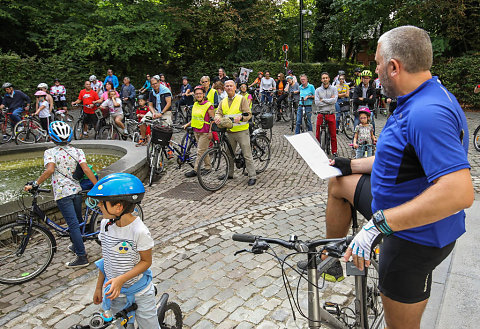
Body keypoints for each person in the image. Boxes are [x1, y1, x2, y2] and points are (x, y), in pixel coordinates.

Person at [324, 26, 473, 329]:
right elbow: (398, 157)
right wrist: (349, 165)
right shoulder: (416, 96)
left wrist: (378, 225)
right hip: (390, 206)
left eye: (377, 63)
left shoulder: (427, 113)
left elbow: (459, 192)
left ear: (393, 67)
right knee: (338, 183)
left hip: (413, 237)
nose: (374, 71)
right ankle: (332, 257)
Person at [88, 173, 159, 329]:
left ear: (118, 207)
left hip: (140, 292)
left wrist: (121, 279)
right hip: (115, 294)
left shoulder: (139, 231)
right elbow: (106, 258)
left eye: (102, 203)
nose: (99, 206)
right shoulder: (105, 224)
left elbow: (146, 262)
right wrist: (99, 287)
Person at [25, 121, 97, 267]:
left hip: (62, 194)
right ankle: (77, 245)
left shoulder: (50, 152)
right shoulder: (78, 151)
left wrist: (36, 183)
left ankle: (82, 257)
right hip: (76, 191)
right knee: (77, 221)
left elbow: (50, 170)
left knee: (73, 225)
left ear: (52, 137)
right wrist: (98, 186)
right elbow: (87, 170)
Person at [214, 80, 256, 186]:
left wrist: (241, 117)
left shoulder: (241, 99)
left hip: (242, 131)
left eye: (231, 86)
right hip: (229, 132)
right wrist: (217, 118)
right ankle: (230, 173)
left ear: (235, 87)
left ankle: (252, 176)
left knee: (247, 154)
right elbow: (218, 112)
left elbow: (248, 114)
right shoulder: (223, 101)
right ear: (224, 88)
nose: (229, 88)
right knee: (229, 154)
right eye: (227, 86)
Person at [183, 85, 215, 178]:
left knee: (200, 151)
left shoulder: (209, 105)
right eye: (196, 94)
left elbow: (212, 120)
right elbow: (194, 118)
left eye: (200, 93)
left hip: (205, 131)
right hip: (196, 130)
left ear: (204, 94)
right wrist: (187, 124)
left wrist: (210, 132)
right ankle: (208, 167)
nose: (198, 95)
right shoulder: (196, 104)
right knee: (203, 150)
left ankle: (195, 170)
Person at [314, 72, 338, 156]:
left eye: (326, 78)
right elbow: (317, 103)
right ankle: (317, 150)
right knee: (317, 133)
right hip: (321, 113)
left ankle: (334, 151)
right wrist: (329, 101)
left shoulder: (334, 89)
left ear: (329, 79)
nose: (325, 79)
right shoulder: (317, 90)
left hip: (331, 113)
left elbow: (334, 100)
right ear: (321, 80)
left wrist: (323, 100)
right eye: (323, 78)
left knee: (333, 134)